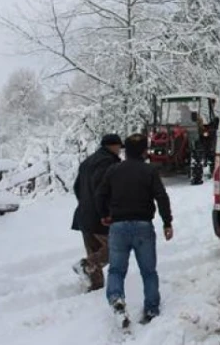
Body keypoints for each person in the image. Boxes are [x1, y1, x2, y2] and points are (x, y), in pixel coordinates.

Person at [96, 133, 173, 324]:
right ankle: (151, 309)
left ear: (126, 151)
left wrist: (104, 215)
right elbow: (161, 197)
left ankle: (117, 299)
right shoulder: (150, 171)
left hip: (118, 227)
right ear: (144, 151)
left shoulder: (113, 170)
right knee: (148, 271)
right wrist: (167, 222)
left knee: (116, 271)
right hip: (143, 227)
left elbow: (100, 195)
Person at [71, 134, 122, 291]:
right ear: (112, 146)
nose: (120, 150)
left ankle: (95, 287)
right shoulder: (109, 163)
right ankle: (86, 265)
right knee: (116, 248)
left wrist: (85, 204)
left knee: (93, 249)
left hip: (84, 214)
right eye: (119, 147)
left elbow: (76, 187)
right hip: (100, 216)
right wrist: (107, 212)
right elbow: (104, 190)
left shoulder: (87, 162)